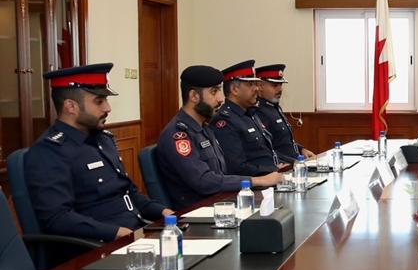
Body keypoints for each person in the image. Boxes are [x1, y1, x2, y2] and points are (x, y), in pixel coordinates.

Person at [25, 63, 173, 242]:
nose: (108, 108)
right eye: (99, 101)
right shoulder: (49, 150)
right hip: (97, 246)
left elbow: (129, 193)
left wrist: (165, 212)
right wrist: (117, 233)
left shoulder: (103, 139)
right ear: (71, 106)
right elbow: (57, 219)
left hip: (135, 232)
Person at [157, 65, 282, 210]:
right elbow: (204, 181)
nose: (221, 99)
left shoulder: (204, 128)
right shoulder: (178, 135)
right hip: (197, 211)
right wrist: (258, 180)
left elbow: (222, 173)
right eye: (214, 92)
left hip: (221, 202)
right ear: (194, 96)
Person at [211, 60, 281, 176]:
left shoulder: (250, 113)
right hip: (254, 182)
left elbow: (265, 152)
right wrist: (270, 170)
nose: (256, 88)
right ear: (235, 89)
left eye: (256, 84)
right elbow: (237, 167)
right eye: (250, 84)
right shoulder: (225, 121)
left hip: (270, 175)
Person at [253, 64, 314, 164]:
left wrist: (301, 149)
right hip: (282, 165)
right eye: (274, 85)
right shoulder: (258, 111)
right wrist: (293, 162)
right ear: (260, 86)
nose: (280, 89)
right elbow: (267, 149)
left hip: (294, 162)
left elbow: (283, 142)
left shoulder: (274, 107)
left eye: (281, 85)